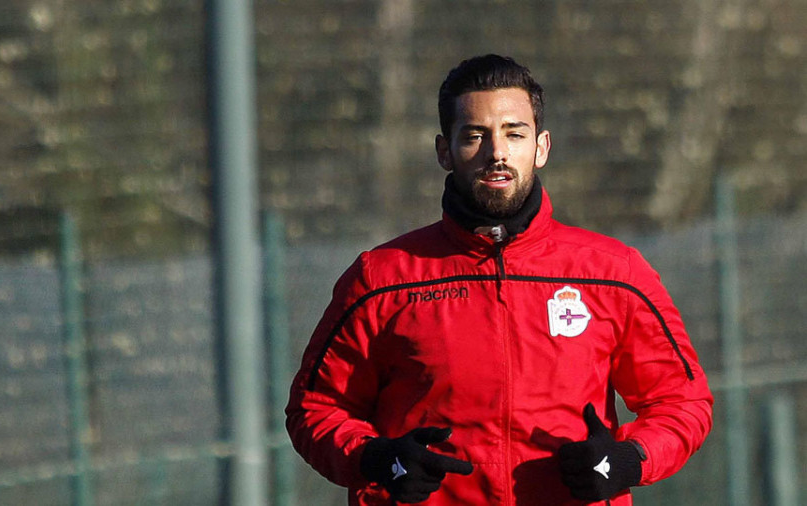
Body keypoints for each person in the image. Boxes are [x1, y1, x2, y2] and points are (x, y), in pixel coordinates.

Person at [286, 54, 713, 505]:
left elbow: (682, 402)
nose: (497, 152)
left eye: (515, 133)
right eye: (475, 136)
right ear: (444, 151)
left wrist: (629, 459)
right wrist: (377, 459)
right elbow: (316, 409)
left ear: (541, 147)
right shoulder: (382, 279)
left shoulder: (612, 273)